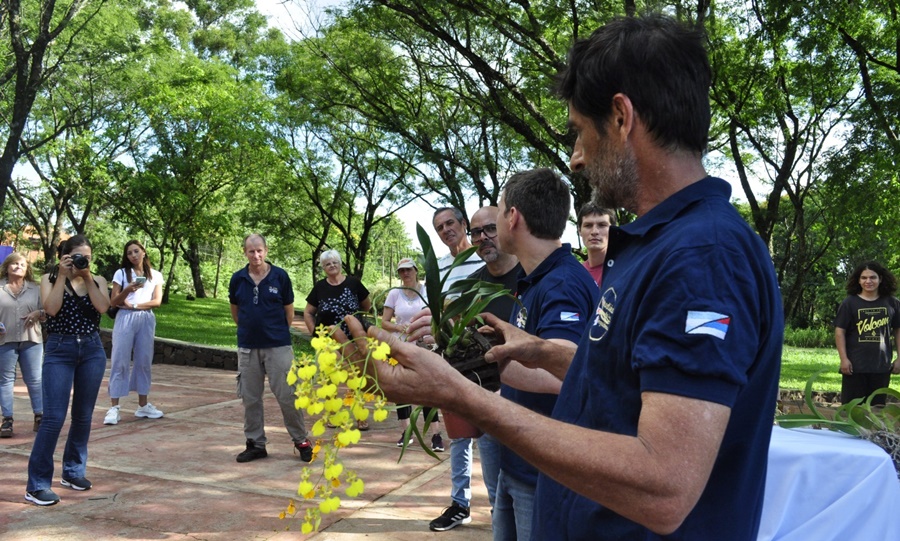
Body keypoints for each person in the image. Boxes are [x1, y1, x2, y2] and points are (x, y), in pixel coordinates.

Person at [346, 15, 783, 540]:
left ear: (621, 117)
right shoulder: (662, 243)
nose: (576, 159)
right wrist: (544, 352)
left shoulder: (702, 255)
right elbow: (641, 383)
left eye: (579, 131)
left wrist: (461, 395)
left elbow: (664, 484)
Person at [492, 168, 599, 540]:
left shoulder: (563, 284)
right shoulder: (538, 277)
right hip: (520, 460)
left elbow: (564, 370)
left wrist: (485, 368)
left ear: (513, 216)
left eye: (499, 209)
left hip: (544, 472)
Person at [25, 235, 111, 506]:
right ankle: (37, 485)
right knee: (53, 418)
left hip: (92, 349)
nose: (81, 261)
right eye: (76, 256)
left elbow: (103, 307)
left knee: (83, 416)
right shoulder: (49, 279)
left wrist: (86, 277)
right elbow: (50, 310)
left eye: (86, 256)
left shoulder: (97, 280)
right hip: (60, 349)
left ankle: (73, 472)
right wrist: (62, 276)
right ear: (64, 256)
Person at [229, 234, 313, 462]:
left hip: (278, 346)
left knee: (288, 395)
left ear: (266, 250)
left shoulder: (280, 277)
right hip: (248, 347)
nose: (255, 255)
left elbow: (288, 312)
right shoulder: (238, 279)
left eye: (259, 250)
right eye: (251, 251)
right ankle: (255, 443)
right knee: (251, 398)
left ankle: (301, 440)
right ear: (244, 252)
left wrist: (276, 333)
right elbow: (235, 311)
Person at [427, 206, 486, 532]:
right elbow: (434, 316)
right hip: (455, 361)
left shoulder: (487, 261)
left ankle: (501, 503)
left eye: (451, 223)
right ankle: (460, 504)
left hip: (489, 361)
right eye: (439, 227)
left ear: (463, 224)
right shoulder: (439, 269)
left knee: (495, 435)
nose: (446, 229)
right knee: (460, 438)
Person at [303, 249, 373, 431]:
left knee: (356, 377)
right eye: (327, 264)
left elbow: (366, 304)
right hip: (328, 341)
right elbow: (308, 312)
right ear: (323, 268)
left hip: (353, 338)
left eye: (334, 262)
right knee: (329, 378)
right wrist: (314, 334)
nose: (331, 266)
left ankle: (360, 415)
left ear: (340, 264)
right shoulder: (319, 287)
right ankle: (332, 415)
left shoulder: (353, 283)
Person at [381, 257, 443, 451]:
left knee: (427, 390)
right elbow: (384, 322)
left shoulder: (427, 291)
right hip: (400, 346)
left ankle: (435, 434)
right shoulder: (394, 293)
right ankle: (406, 431)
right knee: (401, 389)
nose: (405, 274)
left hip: (424, 347)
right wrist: (399, 326)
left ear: (416, 271)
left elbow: (438, 316)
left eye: (408, 270)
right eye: (401, 271)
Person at [104, 240, 164, 425]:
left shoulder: (155, 275)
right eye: (129, 253)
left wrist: (137, 305)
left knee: (144, 360)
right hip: (125, 318)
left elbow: (157, 301)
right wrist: (128, 290)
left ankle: (143, 404)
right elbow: (114, 301)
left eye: (136, 251)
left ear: (144, 252)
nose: (133, 255)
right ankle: (114, 407)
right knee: (119, 359)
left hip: (145, 318)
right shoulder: (121, 273)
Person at [834, 261, 900, 406]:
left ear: (880, 279)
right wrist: (843, 359)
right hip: (854, 367)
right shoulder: (849, 303)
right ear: (858, 280)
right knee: (851, 411)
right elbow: (839, 332)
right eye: (864, 278)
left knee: (877, 411)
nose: (868, 281)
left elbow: (898, 331)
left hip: (881, 366)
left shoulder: (892, 303)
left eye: (872, 277)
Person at [0, 253, 45, 438]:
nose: (18, 267)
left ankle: (40, 416)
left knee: (35, 380)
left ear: (28, 269)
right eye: (15, 264)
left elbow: (49, 311)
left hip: (32, 340)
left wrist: (38, 312)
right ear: (7, 266)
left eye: (22, 264)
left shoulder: (36, 289)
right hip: (4, 341)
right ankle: (7, 420)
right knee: (5, 381)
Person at [576, 202, 617, 286]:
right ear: (579, 231)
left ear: (613, 230)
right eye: (588, 225)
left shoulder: (625, 270)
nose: (594, 232)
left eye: (602, 225)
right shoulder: (575, 274)